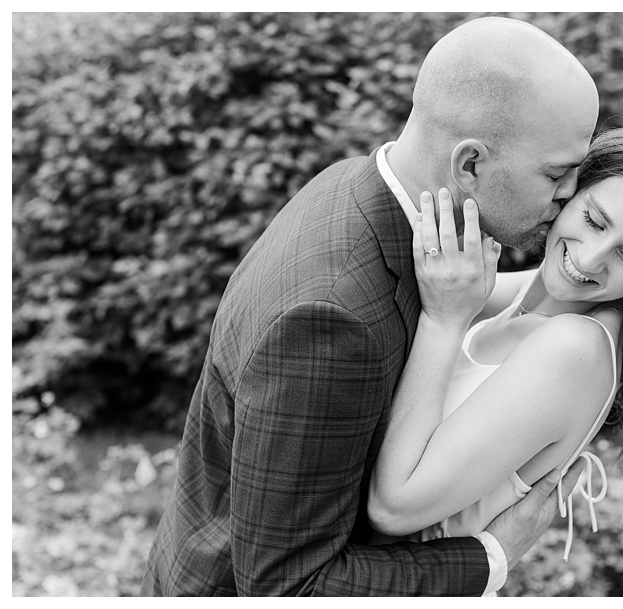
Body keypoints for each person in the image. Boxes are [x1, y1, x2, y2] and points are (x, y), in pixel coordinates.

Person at [142, 16, 599, 596]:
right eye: (557, 172)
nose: (569, 193)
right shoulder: (333, 321)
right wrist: (494, 556)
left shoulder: (352, 187)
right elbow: (289, 587)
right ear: (470, 165)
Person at [367, 119, 623, 572]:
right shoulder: (537, 296)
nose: (587, 259)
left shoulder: (575, 348)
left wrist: (443, 323)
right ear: (571, 187)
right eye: (593, 220)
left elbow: (394, 508)